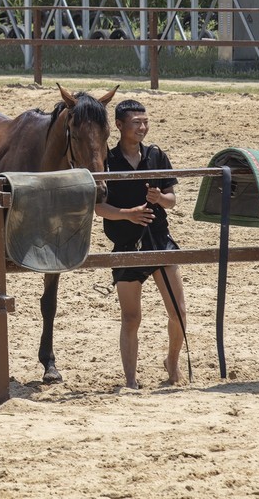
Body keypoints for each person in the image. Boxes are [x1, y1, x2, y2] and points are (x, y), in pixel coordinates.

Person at [95, 98, 187, 389]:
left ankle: (172, 359)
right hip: (125, 245)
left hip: (159, 240)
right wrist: (128, 215)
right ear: (119, 126)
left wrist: (160, 199)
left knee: (179, 312)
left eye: (145, 122)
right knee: (131, 317)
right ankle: (131, 380)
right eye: (136, 123)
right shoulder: (106, 161)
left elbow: (172, 200)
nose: (143, 127)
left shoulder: (156, 155)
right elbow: (98, 208)